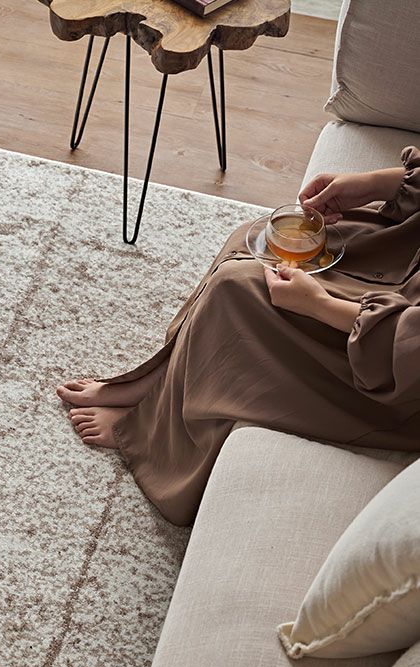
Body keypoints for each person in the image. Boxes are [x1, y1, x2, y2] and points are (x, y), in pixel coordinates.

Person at [57, 147, 420, 527]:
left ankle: (150, 425)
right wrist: (380, 184)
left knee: (238, 288)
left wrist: (319, 305)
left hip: (397, 361)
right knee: (254, 240)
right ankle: (160, 380)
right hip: (405, 259)